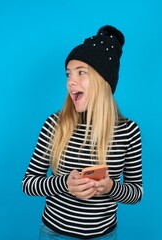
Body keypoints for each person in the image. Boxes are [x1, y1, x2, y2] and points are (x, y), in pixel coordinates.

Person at [22, 25, 143, 240]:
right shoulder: (54, 124)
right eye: (68, 74)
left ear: (102, 80)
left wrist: (110, 187)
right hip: (54, 234)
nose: (71, 81)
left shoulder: (129, 131)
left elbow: (136, 193)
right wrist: (64, 183)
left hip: (104, 235)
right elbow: (29, 183)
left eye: (81, 73)